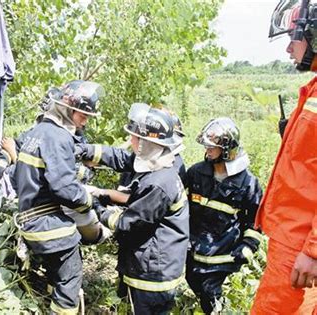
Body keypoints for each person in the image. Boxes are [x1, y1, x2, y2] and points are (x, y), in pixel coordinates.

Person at [77, 103, 189, 314]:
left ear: (147, 143)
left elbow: (128, 224)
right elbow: (120, 158)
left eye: (135, 137)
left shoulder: (158, 183)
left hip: (152, 276)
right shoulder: (157, 164)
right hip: (151, 266)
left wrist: (98, 206)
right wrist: (89, 150)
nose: (130, 141)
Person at [11, 80, 104, 314]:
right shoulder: (59, 137)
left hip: (30, 222)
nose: (85, 120)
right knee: (70, 281)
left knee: (56, 275)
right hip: (51, 228)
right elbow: (65, 190)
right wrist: (91, 199)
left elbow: (16, 178)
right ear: (67, 109)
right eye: (82, 114)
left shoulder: (35, 133)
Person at [251, 0, 317, 313]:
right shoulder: (314, 88)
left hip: (301, 245)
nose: (288, 49)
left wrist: (313, 251)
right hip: (294, 239)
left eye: (294, 38)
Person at [185, 117, 263, 314]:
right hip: (194, 250)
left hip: (223, 255)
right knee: (195, 284)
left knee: (210, 293)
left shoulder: (248, 183)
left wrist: (247, 246)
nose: (208, 150)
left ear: (227, 149)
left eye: (213, 146)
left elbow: (257, 220)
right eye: (207, 145)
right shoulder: (196, 173)